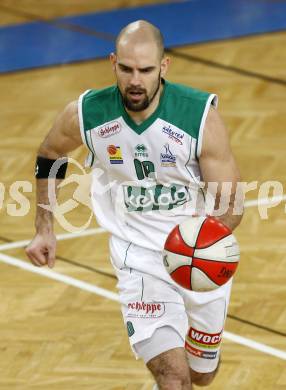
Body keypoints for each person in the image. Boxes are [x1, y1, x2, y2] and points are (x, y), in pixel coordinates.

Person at [26, 20, 243, 389]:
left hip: (200, 257)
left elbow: (231, 204)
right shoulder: (87, 114)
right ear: (113, 63)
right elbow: (50, 155)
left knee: (201, 375)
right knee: (173, 377)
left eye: (145, 69)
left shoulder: (198, 117)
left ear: (164, 66)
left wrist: (200, 244)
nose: (135, 80)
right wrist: (43, 228)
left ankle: (200, 347)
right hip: (137, 257)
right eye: (126, 69)